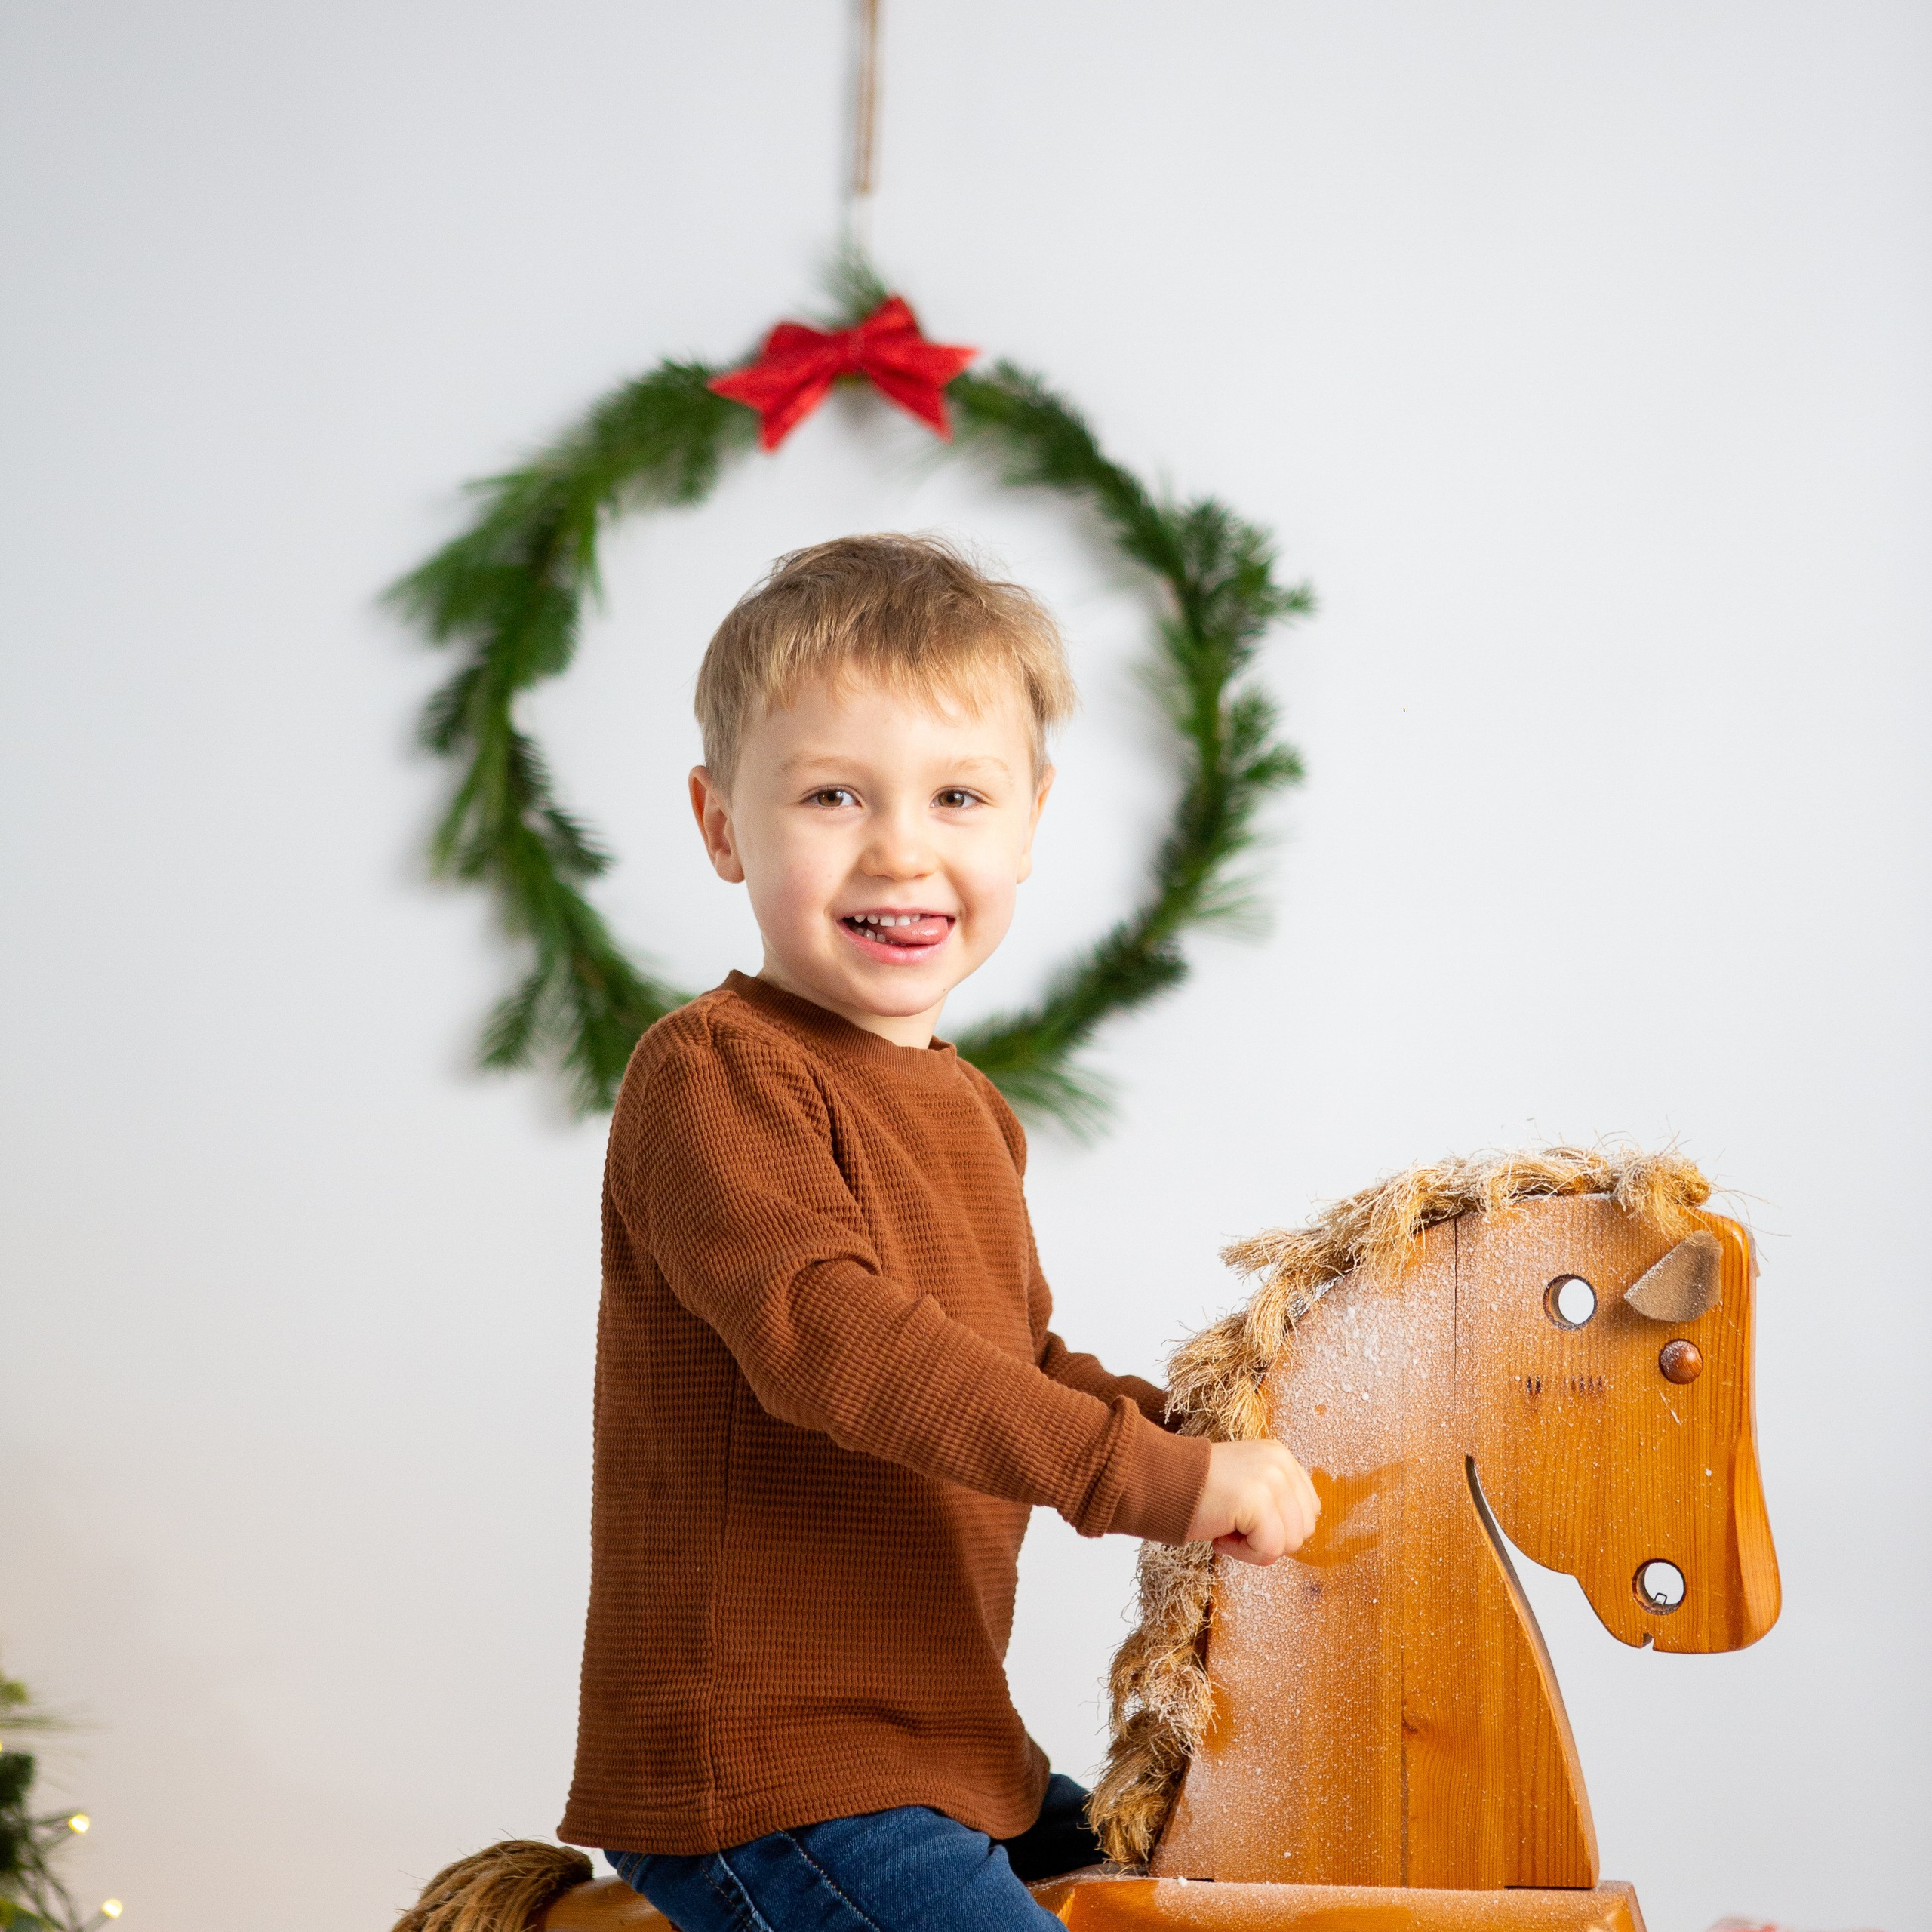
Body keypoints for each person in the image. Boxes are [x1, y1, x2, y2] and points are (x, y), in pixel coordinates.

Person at [558, 534, 1321, 1930]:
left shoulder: (970, 1110)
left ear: (1029, 823)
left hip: (946, 1750)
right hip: (775, 1769)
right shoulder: (716, 1073)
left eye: (958, 796)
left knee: (1221, 1882)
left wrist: (1189, 1431)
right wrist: (1147, 1477)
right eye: (832, 795)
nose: (902, 849)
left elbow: (1008, 1361)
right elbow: (836, 1341)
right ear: (721, 824)